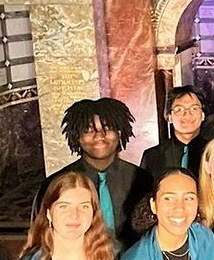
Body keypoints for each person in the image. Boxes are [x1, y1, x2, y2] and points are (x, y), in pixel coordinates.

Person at [33, 97, 147, 250]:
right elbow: (41, 233)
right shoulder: (56, 183)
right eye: (88, 130)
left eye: (107, 128)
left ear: (119, 132)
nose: (99, 136)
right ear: (77, 137)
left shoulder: (142, 180)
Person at [141, 86, 209, 184]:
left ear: (203, 115)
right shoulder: (152, 156)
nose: (187, 114)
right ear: (169, 117)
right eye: (179, 109)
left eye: (194, 108)